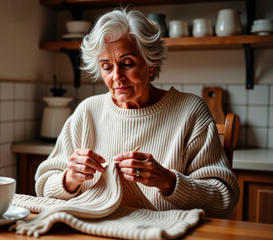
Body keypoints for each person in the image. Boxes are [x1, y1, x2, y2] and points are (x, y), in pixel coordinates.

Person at [35, 8, 239, 218]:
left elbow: (224, 198)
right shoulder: (87, 112)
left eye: (127, 63)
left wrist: (168, 181)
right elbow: (42, 185)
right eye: (106, 66)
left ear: (151, 64)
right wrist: (70, 179)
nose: (117, 77)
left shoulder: (190, 111)